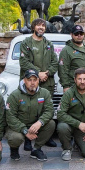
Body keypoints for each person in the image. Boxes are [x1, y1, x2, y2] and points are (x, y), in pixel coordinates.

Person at [19, 18, 59, 150]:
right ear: (33, 27)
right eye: (38, 25)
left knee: (46, 109)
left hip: (47, 83)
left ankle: (46, 137)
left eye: (43, 25)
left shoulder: (48, 44)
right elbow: (24, 62)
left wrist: (46, 73)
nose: (41, 27)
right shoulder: (26, 43)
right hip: (31, 82)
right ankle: (27, 138)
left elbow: (55, 62)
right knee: (28, 110)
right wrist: (38, 73)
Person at [5, 69, 56, 161]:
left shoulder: (45, 93)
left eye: (35, 80)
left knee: (51, 124)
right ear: (24, 80)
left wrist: (40, 122)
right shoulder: (15, 95)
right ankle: (14, 149)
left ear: (38, 81)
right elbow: (10, 117)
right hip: (18, 126)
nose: (32, 83)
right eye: (29, 80)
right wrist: (25, 131)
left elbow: (49, 111)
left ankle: (36, 149)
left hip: (35, 125)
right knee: (15, 138)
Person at [58, 25, 85, 92]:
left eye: (81, 33)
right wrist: (66, 86)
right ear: (71, 35)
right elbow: (63, 70)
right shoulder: (66, 50)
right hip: (73, 86)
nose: (79, 36)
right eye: (76, 34)